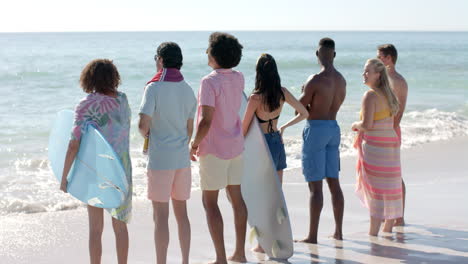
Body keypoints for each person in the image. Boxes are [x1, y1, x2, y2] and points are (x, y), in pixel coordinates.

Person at [60, 59, 132, 264]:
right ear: (113, 77)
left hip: (97, 172)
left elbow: (73, 144)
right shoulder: (123, 100)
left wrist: (64, 177)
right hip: (121, 170)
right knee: (120, 226)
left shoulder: (85, 105)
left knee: (95, 229)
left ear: (89, 78)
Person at [189, 32, 248, 264]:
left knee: (210, 202)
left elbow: (206, 119)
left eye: (208, 49)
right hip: (235, 145)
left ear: (214, 55)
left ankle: (221, 258)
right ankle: (240, 253)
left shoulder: (208, 81)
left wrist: (193, 144)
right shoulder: (239, 77)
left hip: (213, 148)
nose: (206, 52)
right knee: (236, 198)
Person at [242, 53, 308, 252]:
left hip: (262, 148)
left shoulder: (255, 98)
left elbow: (243, 130)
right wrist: (284, 127)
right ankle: (276, 239)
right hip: (277, 143)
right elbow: (305, 113)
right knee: (276, 194)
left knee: (261, 195)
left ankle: (263, 244)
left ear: (259, 74)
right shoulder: (283, 93)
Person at [138, 42, 196, 264]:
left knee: (160, 217)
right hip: (182, 159)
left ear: (161, 60)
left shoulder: (153, 88)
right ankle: (185, 261)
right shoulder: (188, 89)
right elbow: (190, 129)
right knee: (182, 215)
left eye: (156, 58)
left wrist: (148, 137)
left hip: (160, 160)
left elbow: (143, 124)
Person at [297, 38, 346, 244]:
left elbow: (299, 109)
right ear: (334, 54)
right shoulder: (342, 80)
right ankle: (338, 232)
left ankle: (312, 236)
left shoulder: (315, 80)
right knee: (334, 183)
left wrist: (302, 91)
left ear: (317, 54)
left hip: (316, 129)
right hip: (333, 128)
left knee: (315, 187)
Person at [352, 58, 403, 236]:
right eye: (364, 70)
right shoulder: (389, 94)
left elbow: (367, 124)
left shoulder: (370, 95)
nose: (363, 74)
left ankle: (373, 233)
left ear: (378, 75)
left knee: (375, 190)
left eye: (367, 71)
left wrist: (355, 124)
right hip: (391, 144)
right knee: (390, 187)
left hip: (376, 147)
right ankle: (388, 229)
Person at [377, 44, 408, 226]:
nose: (377, 59)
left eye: (380, 57)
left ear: (389, 58)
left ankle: (400, 216)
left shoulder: (398, 81)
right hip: (379, 131)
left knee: (394, 174)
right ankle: (383, 214)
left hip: (391, 131)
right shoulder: (381, 79)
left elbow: (400, 111)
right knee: (380, 173)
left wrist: (390, 131)